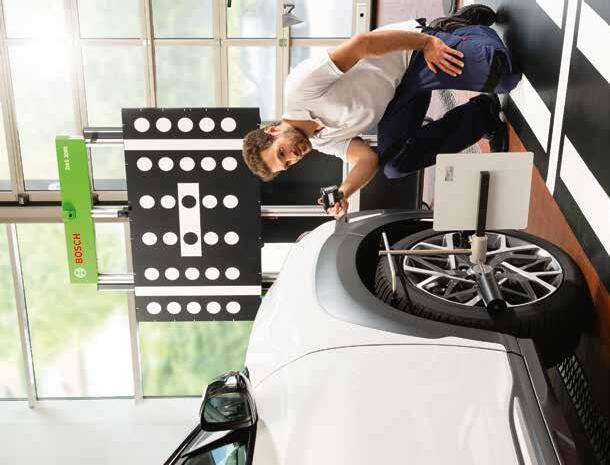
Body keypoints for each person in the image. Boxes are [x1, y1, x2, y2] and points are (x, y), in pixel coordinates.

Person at [241, 4, 521, 218]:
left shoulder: (298, 90)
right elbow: (367, 160)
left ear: (273, 130)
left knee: (502, 73)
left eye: (282, 152)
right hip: (399, 99)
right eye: (287, 163)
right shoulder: (320, 141)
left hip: (409, 55)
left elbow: (361, 44)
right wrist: (344, 192)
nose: (293, 157)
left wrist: (426, 43)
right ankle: (482, 116)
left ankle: (455, 28)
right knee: (394, 164)